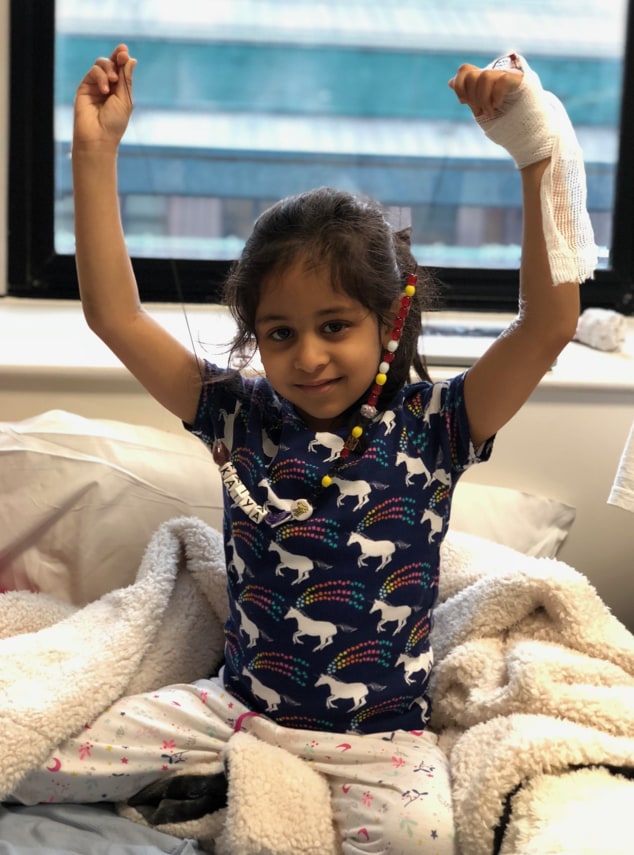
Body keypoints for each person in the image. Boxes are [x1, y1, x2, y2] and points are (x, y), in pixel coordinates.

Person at [12, 44, 595, 854]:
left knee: (425, 841)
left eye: (334, 327)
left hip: (383, 741)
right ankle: (205, 788)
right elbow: (116, 316)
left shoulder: (436, 424)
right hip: (234, 708)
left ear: (388, 325)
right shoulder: (235, 415)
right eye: (280, 333)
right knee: (34, 765)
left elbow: (548, 325)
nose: (309, 356)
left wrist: (537, 151)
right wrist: (94, 152)